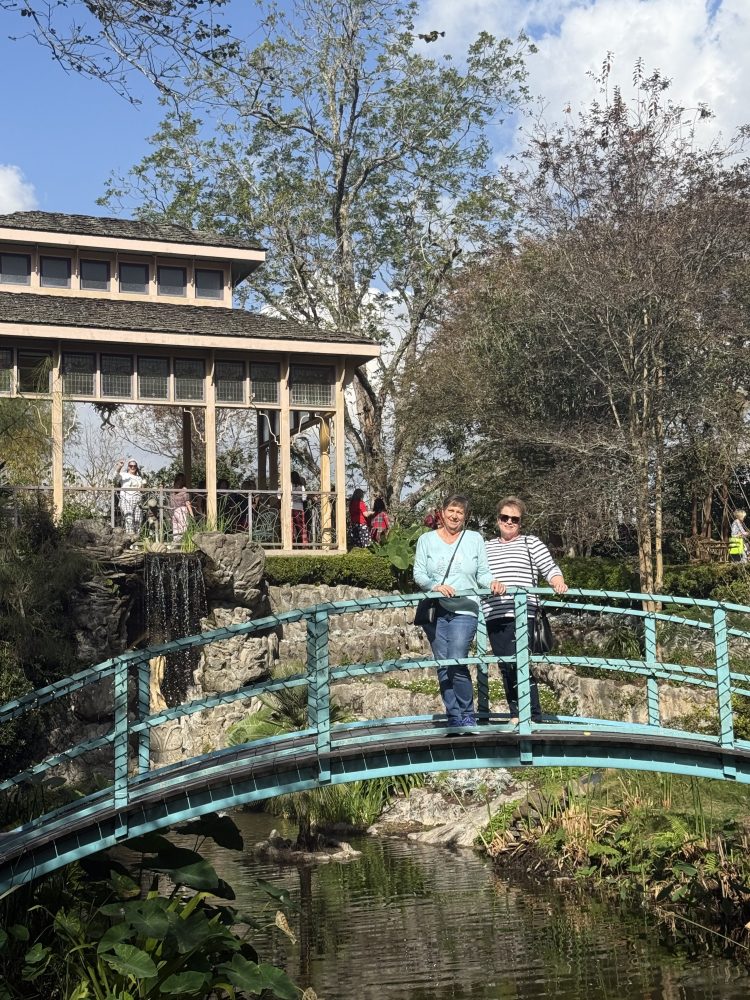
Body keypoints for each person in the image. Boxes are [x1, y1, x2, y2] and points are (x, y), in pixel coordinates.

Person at [413, 494, 506, 728]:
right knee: (443, 664)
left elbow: (482, 573)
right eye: (451, 511)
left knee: (456, 659)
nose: (455, 516)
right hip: (436, 610)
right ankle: (453, 716)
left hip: (466, 609)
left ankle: (467, 714)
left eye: (460, 512)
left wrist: (493, 582)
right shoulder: (426, 540)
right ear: (442, 512)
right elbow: (419, 574)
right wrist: (435, 586)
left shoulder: (474, 539)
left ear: (465, 516)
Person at [482, 496, 568, 723]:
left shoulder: (531, 543)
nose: (509, 522)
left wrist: (557, 581)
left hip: (523, 613)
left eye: (515, 519)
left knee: (517, 662)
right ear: (497, 519)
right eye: (505, 517)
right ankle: (517, 713)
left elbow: (549, 568)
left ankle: (532, 715)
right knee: (505, 665)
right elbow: (478, 575)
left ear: (521, 522)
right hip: (495, 613)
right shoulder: (486, 546)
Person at [115, 458, 144, 535]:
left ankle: (136, 541)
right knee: (129, 518)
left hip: (137, 500)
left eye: (134, 466)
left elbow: (142, 490)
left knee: (138, 520)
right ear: (128, 467)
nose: (132, 467)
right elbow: (115, 476)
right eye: (131, 465)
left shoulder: (139, 478)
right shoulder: (124, 475)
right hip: (127, 499)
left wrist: (143, 486)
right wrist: (119, 467)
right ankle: (130, 540)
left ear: (136, 467)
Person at [170, 473, 193, 544]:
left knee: (180, 529)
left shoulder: (180, 490)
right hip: (178, 510)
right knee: (179, 529)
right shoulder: (176, 490)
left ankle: (180, 544)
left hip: (178, 510)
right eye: (179, 479)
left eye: (181, 480)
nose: (180, 481)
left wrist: (191, 514)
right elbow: (187, 502)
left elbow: (187, 502)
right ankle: (178, 543)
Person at [291, 470, 309, 545]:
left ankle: (291, 543)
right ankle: (304, 544)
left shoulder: (289, 485)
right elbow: (304, 498)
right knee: (301, 527)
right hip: (299, 508)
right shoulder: (301, 486)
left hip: (291, 507)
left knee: (291, 527)